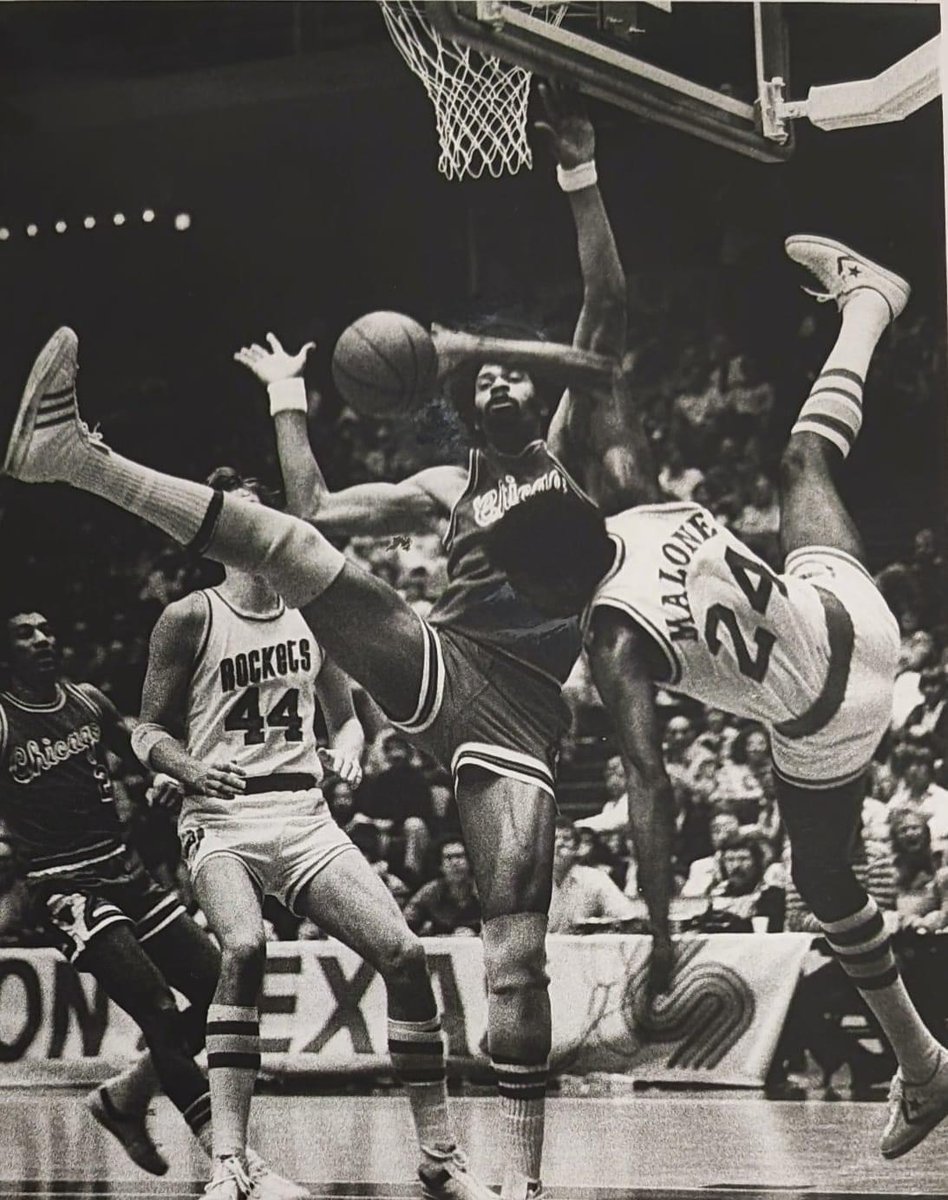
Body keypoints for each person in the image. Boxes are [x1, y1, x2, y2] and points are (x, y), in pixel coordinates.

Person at [8, 93, 648, 1200]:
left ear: (533, 394)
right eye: (479, 377)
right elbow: (309, 511)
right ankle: (75, 458)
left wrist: (581, 177)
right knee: (299, 547)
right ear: (460, 401)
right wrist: (292, 400)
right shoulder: (443, 486)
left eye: (509, 375)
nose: (494, 381)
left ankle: (515, 1179)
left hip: (531, 718)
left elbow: (605, 310)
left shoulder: (565, 450)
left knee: (513, 958)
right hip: (441, 665)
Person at [483, 236, 948, 1155]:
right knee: (803, 465)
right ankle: (868, 308)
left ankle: (928, 1068)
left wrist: (661, 936)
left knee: (822, 879)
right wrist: (578, 182)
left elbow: (653, 789)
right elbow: (599, 359)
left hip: (831, 719)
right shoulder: (634, 495)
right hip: (857, 617)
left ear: (546, 585)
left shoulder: (614, 638)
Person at [135, 469, 493, 1200]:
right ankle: (231, 1162)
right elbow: (145, 729)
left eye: (259, 509)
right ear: (216, 536)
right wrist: (187, 769)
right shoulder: (189, 617)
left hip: (304, 815)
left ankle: (439, 1156)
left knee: (404, 953)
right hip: (223, 817)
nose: (253, 522)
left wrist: (352, 750)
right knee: (244, 946)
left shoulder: (310, 614)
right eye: (237, 513)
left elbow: (350, 716)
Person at [0, 608, 221, 1178]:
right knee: (157, 1007)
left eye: (48, 628)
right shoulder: (3, 720)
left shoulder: (88, 701)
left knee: (223, 983)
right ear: (5, 652)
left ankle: (125, 1098)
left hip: (125, 869)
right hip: (63, 886)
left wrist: (165, 778)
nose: (44, 638)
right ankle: (227, 1155)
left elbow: (142, 750)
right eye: (26, 634)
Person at [547, 818, 637, 933]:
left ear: (577, 848)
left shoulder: (595, 879)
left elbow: (627, 915)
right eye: (552, 839)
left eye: (566, 838)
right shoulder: (528, 883)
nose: (559, 844)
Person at [404, 837, 482, 936]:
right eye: (448, 858)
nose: (455, 863)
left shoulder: (483, 891)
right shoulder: (430, 891)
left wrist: (477, 935)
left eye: (459, 856)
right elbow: (406, 922)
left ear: (469, 862)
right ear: (440, 866)